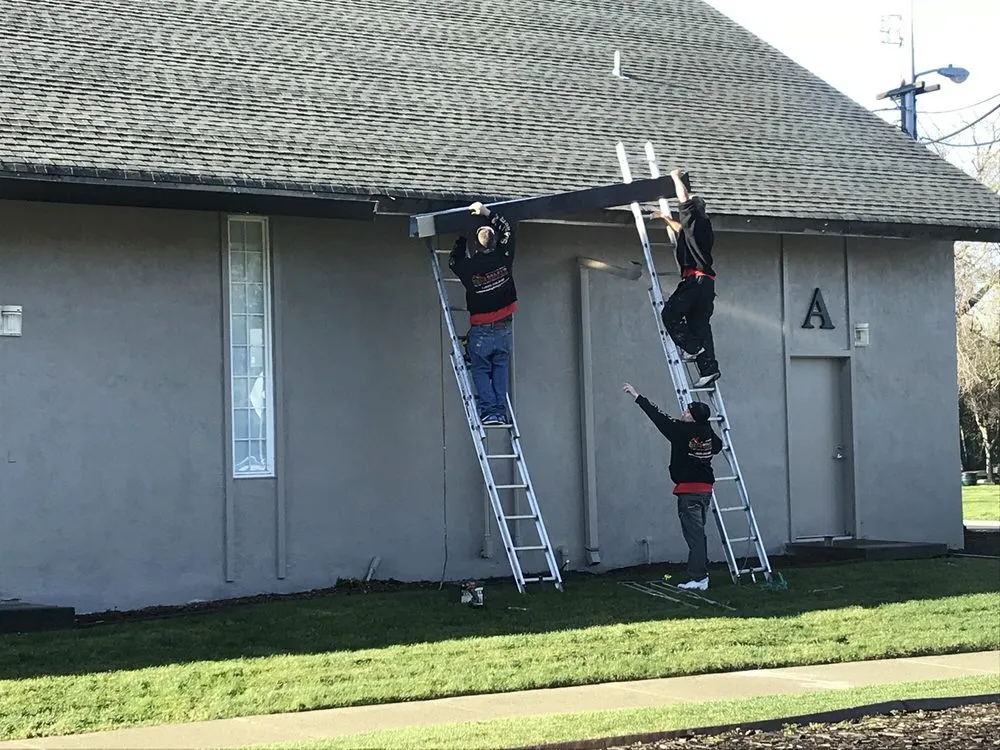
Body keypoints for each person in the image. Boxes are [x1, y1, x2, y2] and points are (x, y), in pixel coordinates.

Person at [622, 381, 723, 590]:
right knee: (698, 534)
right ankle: (699, 574)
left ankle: (699, 578)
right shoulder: (707, 433)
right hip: (705, 491)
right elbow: (718, 447)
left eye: (687, 411)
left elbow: (658, 417)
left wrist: (637, 396)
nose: (683, 412)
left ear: (693, 417)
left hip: (689, 493)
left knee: (695, 537)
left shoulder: (681, 431)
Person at [449, 201, 517, 425]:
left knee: (480, 368)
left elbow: (454, 261)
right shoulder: (504, 257)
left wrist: (460, 237)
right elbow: (507, 228)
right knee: (499, 367)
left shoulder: (469, 267)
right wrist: (486, 212)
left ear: (475, 246)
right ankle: (498, 411)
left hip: (481, 329)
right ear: (495, 242)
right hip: (504, 326)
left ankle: (489, 411)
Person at [652, 169, 720, 388]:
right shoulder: (701, 230)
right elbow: (680, 228)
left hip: (695, 281)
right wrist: (663, 217)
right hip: (707, 284)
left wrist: (674, 178)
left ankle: (693, 348)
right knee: (700, 324)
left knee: (670, 315)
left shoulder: (696, 220)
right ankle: (709, 369)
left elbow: (684, 200)